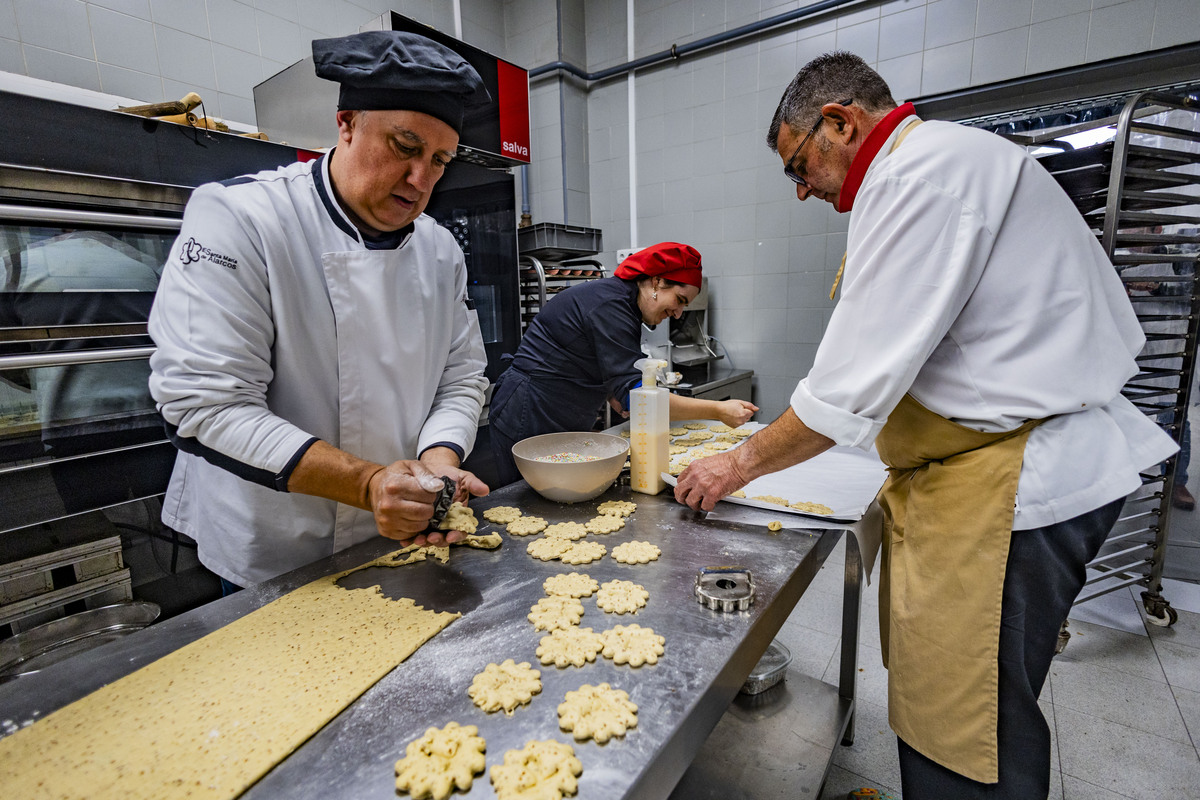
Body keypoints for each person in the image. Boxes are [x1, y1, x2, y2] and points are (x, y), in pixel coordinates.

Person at [674, 52, 1177, 800]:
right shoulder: (940, 162)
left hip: (1009, 486)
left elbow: (845, 387)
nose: (804, 191)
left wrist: (733, 466)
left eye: (798, 166)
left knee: (966, 723)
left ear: (839, 122)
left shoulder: (920, 177)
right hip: (986, 472)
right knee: (973, 704)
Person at [148, 31, 492, 591]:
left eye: (440, 161)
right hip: (267, 544)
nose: (421, 180)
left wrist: (436, 463)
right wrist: (366, 484)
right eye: (405, 147)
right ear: (347, 123)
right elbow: (206, 403)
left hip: (395, 534)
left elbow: (462, 378)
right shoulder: (243, 219)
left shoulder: (439, 249)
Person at [487, 241, 758, 487]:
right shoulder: (611, 305)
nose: (677, 313)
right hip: (530, 411)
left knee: (556, 495)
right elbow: (641, 402)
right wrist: (718, 410)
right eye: (679, 301)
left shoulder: (622, 304)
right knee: (524, 498)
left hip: (557, 411)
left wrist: (612, 392)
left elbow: (583, 355)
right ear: (655, 282)